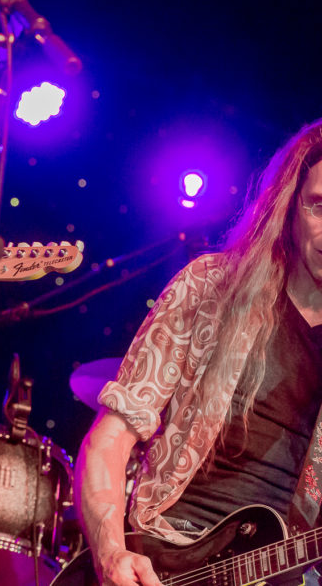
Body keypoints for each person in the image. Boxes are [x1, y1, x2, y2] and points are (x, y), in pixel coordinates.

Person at [75, 119, 322, 585]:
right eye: (320, 206)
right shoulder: (212, 288)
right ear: (291, 208)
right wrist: (110, 553)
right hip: (167, 556)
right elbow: (110, 438)